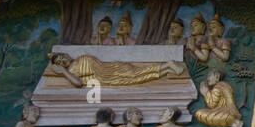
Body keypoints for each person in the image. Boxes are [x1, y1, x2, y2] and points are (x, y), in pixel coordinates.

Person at [47, 51, 185, 87]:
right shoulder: (70, 71)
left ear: (66, 54)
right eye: (60, 63)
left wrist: (63, 72)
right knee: (137, 79)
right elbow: (79, 82)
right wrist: (64, 71)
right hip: (110, 79)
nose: (63, 61)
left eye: (62, 57)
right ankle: (166, 70)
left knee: (135, 75)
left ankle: (168, 64)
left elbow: (78, 83)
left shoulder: (81, 59)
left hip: (112, 71)